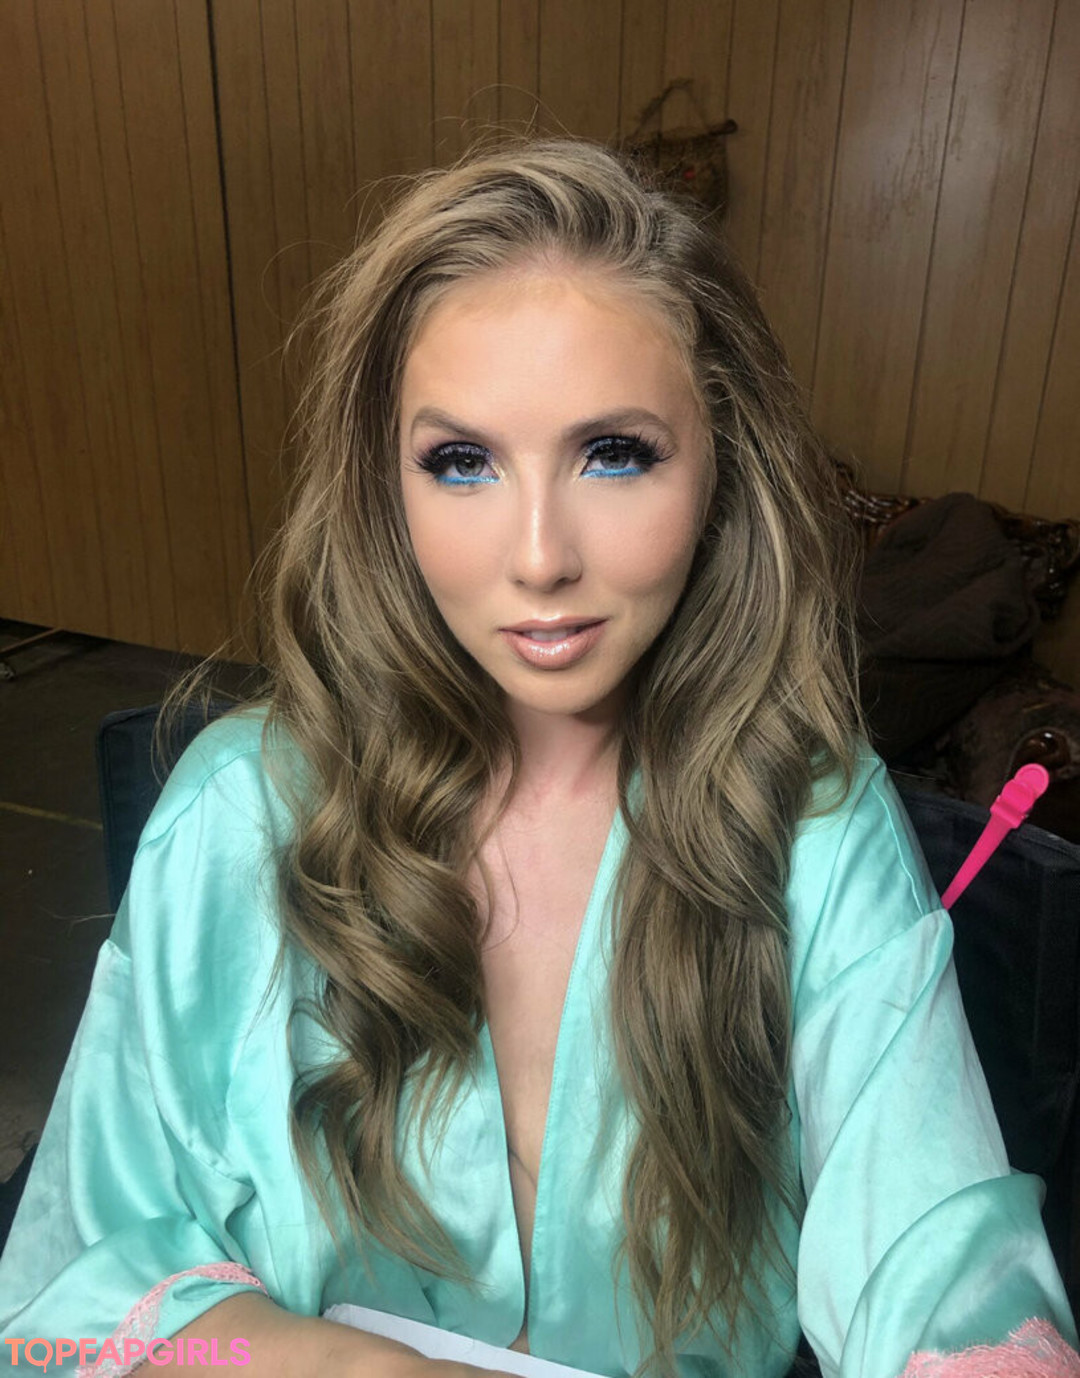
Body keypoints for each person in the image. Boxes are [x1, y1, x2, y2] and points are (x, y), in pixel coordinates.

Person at [0, 136, 1077, 1378]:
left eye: (614, 453)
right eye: (461, 462)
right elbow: (66, 1301)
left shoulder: (815, 830)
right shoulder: (237, 813)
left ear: (720, 466)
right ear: (385, 486)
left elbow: (943, 1274)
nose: (539, 556)